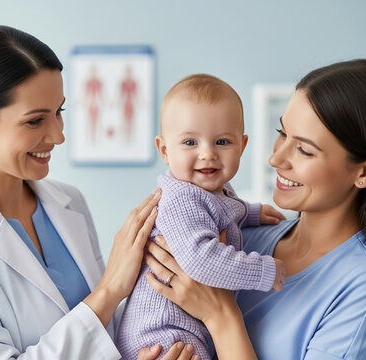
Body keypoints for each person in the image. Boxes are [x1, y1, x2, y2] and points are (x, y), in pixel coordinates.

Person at [0, 25, 197, 360]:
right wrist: (110, 290)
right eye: (35, 121)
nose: (57, 135)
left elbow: (103, 341)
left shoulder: (70, 203)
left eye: (59, 112)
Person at [145, 59, 366, 359]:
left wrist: (221, 314)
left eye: (304, 149)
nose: (276, 159)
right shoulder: (242, 236)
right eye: (282, 133)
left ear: (362, 172)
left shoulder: (358, 290)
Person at [116, 74, 287, 360]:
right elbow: (201, 260)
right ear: (164, 150)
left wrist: (252, 212)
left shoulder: (209, 192)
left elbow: (223, 211)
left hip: (182, 327)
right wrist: (263, 271)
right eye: (190, 142)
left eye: (222, 141)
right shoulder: (182, 198)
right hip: (162, 336)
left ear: (242, 146)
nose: (207, 154)